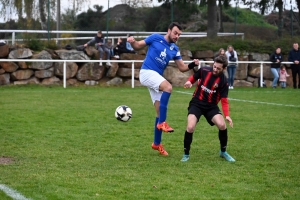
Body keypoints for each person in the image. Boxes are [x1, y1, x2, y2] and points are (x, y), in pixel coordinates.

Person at [127, 22, 199, 156]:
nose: (177, 36)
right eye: (175, 33)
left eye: (179, 35)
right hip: (146, 72)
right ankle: (162, 123)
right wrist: (132, 42)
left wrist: (192, 65)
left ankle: (156, 143)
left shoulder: (174, 49)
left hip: (155, 77)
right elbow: (137, 46)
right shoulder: (155, 37)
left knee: (160, 111)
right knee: (168, 87)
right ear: (169, 30)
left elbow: (182, 67)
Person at [181, 55, 235, 162]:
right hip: (196, 103)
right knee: (190, 127)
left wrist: (227, 115)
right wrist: (189, 82)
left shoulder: (224, 81)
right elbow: (194, 77)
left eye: (218, 68)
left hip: (211, 106)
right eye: (214, 66)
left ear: (223, 69)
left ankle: (223, 152)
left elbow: (224, 100)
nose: (215, 69)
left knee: (222, 125)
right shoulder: (204, 70)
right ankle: (186, 154)